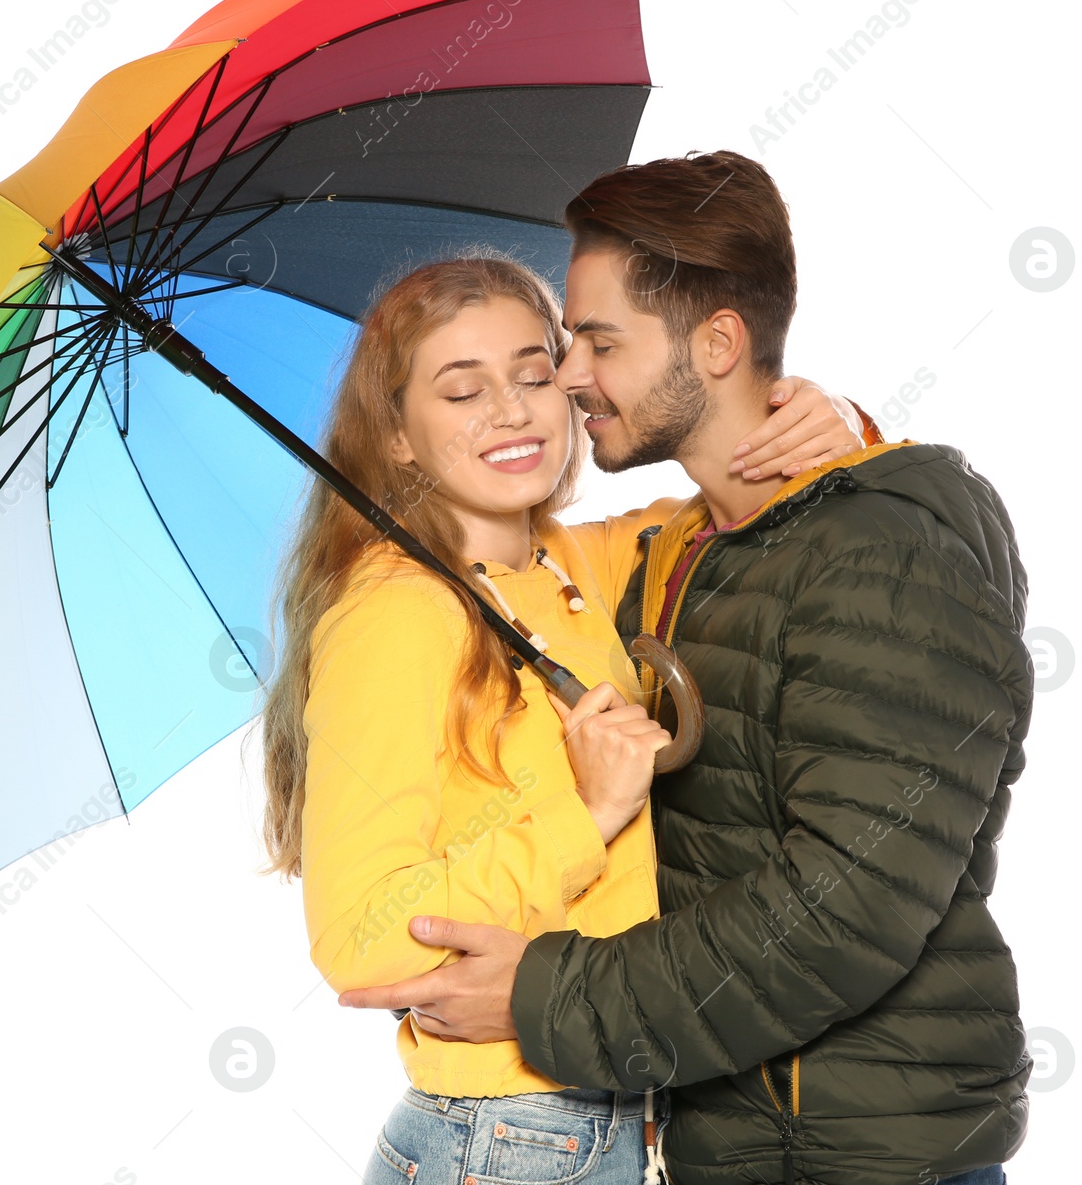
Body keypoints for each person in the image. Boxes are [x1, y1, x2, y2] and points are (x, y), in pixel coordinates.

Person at [336, 153, 1033, 1185]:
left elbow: (844, 911)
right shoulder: (668, 557)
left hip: (863, 1157)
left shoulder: (884, 557)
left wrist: (543, 998)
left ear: (715, 344)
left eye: (598, 343)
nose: (569, 379)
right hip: (722, 1139)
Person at [257, 252, 866, 1184]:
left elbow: (752, 496)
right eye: (462, 392)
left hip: (618, 1117)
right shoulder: (396, 615)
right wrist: (585, 814)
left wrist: (829, 418)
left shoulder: (571, 568)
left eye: (533, 374)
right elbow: (360, 939)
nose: (510, 409)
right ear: (400, 438)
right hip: (508, 1138)